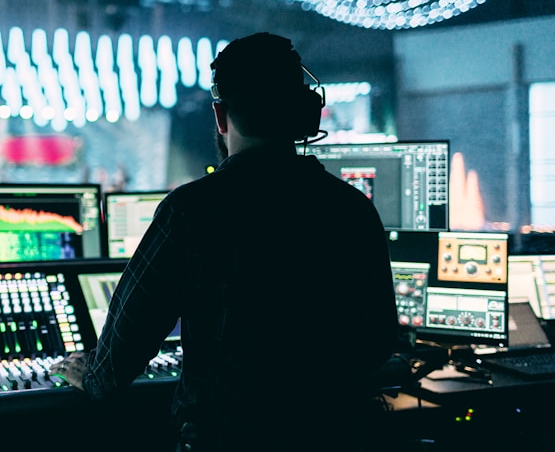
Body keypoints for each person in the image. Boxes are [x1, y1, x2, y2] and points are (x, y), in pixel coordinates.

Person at [50, 32, 400, 450]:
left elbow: (116, 364)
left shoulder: (192, 211)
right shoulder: (351, 209)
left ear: (220, 115)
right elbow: (378, 343)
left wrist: (84, 373)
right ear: (307, 112)